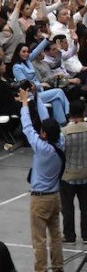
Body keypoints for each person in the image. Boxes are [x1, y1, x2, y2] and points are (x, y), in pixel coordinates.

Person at [20, 82, 66, 272]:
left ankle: (41, 269)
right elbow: (46, 118)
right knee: (55, 234)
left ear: (45, 134)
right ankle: (58, 266)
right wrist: (37, 95)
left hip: (40, 198)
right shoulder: (60, 142)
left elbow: (27, 127)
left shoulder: (42, 148)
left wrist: (24, 103)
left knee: (39, 239)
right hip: (55, 196)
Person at [62, 99, 87, 243]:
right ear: (83, 111)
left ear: (70, 113)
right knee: (85, 206)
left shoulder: (64, 132)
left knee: (67, 207)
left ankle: (69, 235)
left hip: (68, 175)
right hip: (86, 174)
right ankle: (86, 235)